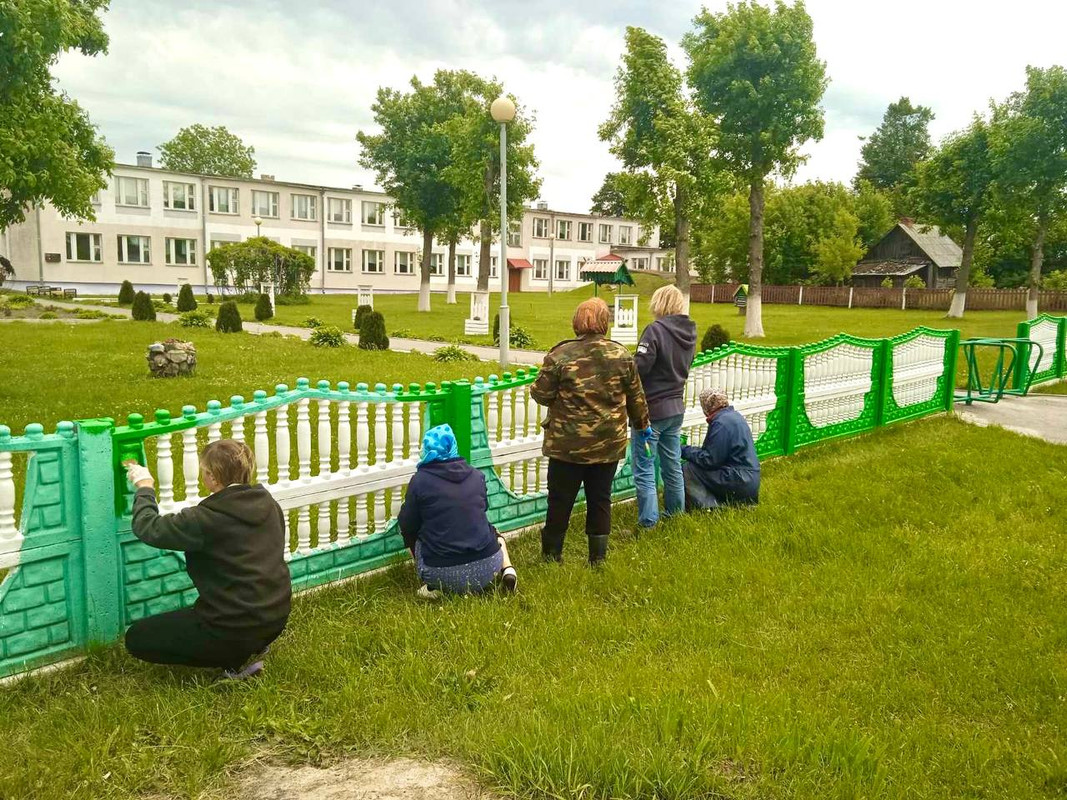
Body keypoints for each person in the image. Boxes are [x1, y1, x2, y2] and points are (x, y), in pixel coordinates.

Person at [122, 439, 291, 679]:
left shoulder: (205, 519)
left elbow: (148, 527)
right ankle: (253, 644)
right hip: (276, 617)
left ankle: (234, 661)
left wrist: (144, 487)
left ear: (212, 476)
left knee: (137, 638)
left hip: (234, 627)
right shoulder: (269, 505)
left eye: (205, 471)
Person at [531, 297, 651, 565]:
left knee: (560, 499)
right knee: (600, 499)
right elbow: (636, 398)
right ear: (605, 322)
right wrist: (642, 425)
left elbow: (540, 394)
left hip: (567, 444)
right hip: (608, 443)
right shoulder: (622, 355)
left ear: (576, 322)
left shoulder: (560, 354)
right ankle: (597, 558)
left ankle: (552, 557)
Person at [397, 423, 518, 596]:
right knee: (492, 530)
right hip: (488, 567)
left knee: (411, 533)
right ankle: (508, 570)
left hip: (440, 573)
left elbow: (407, 523)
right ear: (453, 446)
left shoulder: (420, 480)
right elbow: (483, 508)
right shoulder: (476, 475)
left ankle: (435, 586)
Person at [631, 284, 697, 528]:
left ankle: (648, 522)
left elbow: (640, 367)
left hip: (652, 411)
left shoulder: (655, 330)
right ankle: (675, 514)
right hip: (676, 407)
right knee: (672, 465)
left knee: (645, 467)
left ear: (659, 303)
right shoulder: (690, 332)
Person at [681, 388, 760, 509]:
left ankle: (710, 506)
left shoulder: (721, 423)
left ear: (706, 407)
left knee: (689, 468)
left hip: (739, 480)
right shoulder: (735, 416)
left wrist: (683, 450)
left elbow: (709, 460)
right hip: (749, 480)